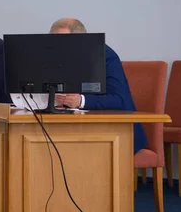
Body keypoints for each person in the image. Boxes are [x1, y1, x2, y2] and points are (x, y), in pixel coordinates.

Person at [50, 18, 147, 153]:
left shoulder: (106, 56)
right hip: (73, 127)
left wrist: (80, 100)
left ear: (81, 40)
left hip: (118, 132)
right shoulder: (52, 58)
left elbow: (119, 100)